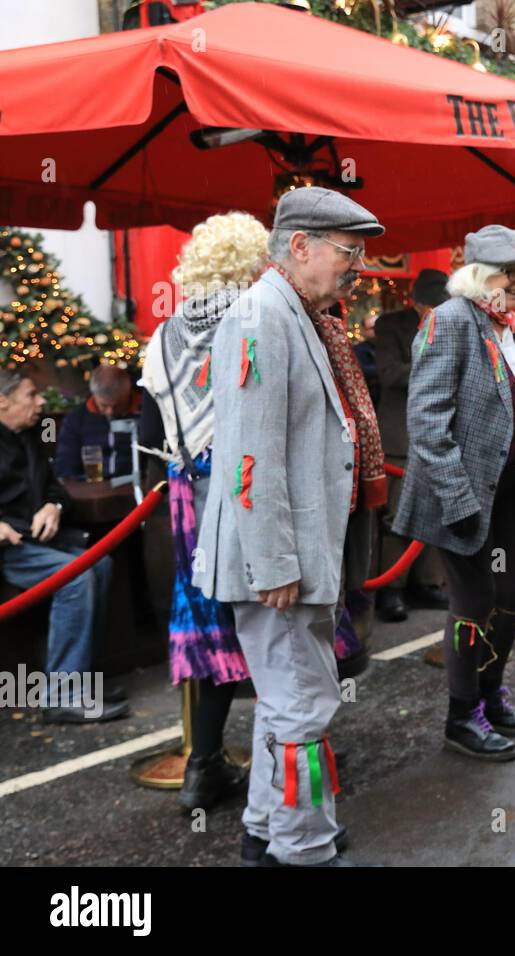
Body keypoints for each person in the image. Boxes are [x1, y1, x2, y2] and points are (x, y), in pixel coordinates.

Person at [193, 186, 387, 867]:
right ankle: (303, 848)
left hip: (294, 557)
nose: (358, 265)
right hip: (279, 563)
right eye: (349, 251)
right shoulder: (263, 316)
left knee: (288, 706)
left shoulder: (293, 312)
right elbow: (250, 456)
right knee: (304, 711)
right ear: (299, 246)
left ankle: (265, 832)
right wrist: (271, 563)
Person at [392, 225, 515, 762]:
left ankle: (491, 697)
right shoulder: (449, 321)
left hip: (509, 490)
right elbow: (426, 421)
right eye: (511, 274)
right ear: (481, 276)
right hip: (459, 493)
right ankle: (462, 715)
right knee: (474, 601)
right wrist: (458, 499)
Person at [138, 211, 266, 811]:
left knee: (211, 623)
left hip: (189, 493)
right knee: (272, 619)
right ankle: (282, 763)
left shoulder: (163, 337)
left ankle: (202, 767)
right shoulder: (258, 319)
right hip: (249, 485)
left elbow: (149, 433)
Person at [0, 369, 124, 723]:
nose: (41, 402)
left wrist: (52, 507)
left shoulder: (28, 435)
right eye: (31, 395)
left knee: (100, 565)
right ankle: (61, 695)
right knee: (75, 578)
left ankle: (82, 680)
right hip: (8, 550)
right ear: (2, 401)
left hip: (36, 542)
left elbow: (57, 489)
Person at [371, 268, 451, 624]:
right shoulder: (391, 326)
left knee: (434, 511)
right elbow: (390, 374)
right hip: (399, 434)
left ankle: (427, 583)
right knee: (397, 517)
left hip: (439, 430)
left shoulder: (451, 321)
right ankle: (391, 590)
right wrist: (431, 352)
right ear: (416, 303)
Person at [54, 365, 141, 480]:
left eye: (117, 405)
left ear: (128, 392)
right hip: (90, 489)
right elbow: (66, 465)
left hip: (137, 486)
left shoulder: (145, 412)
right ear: (94, 396)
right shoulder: (76, 419)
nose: (110, 411)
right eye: (104, 405)